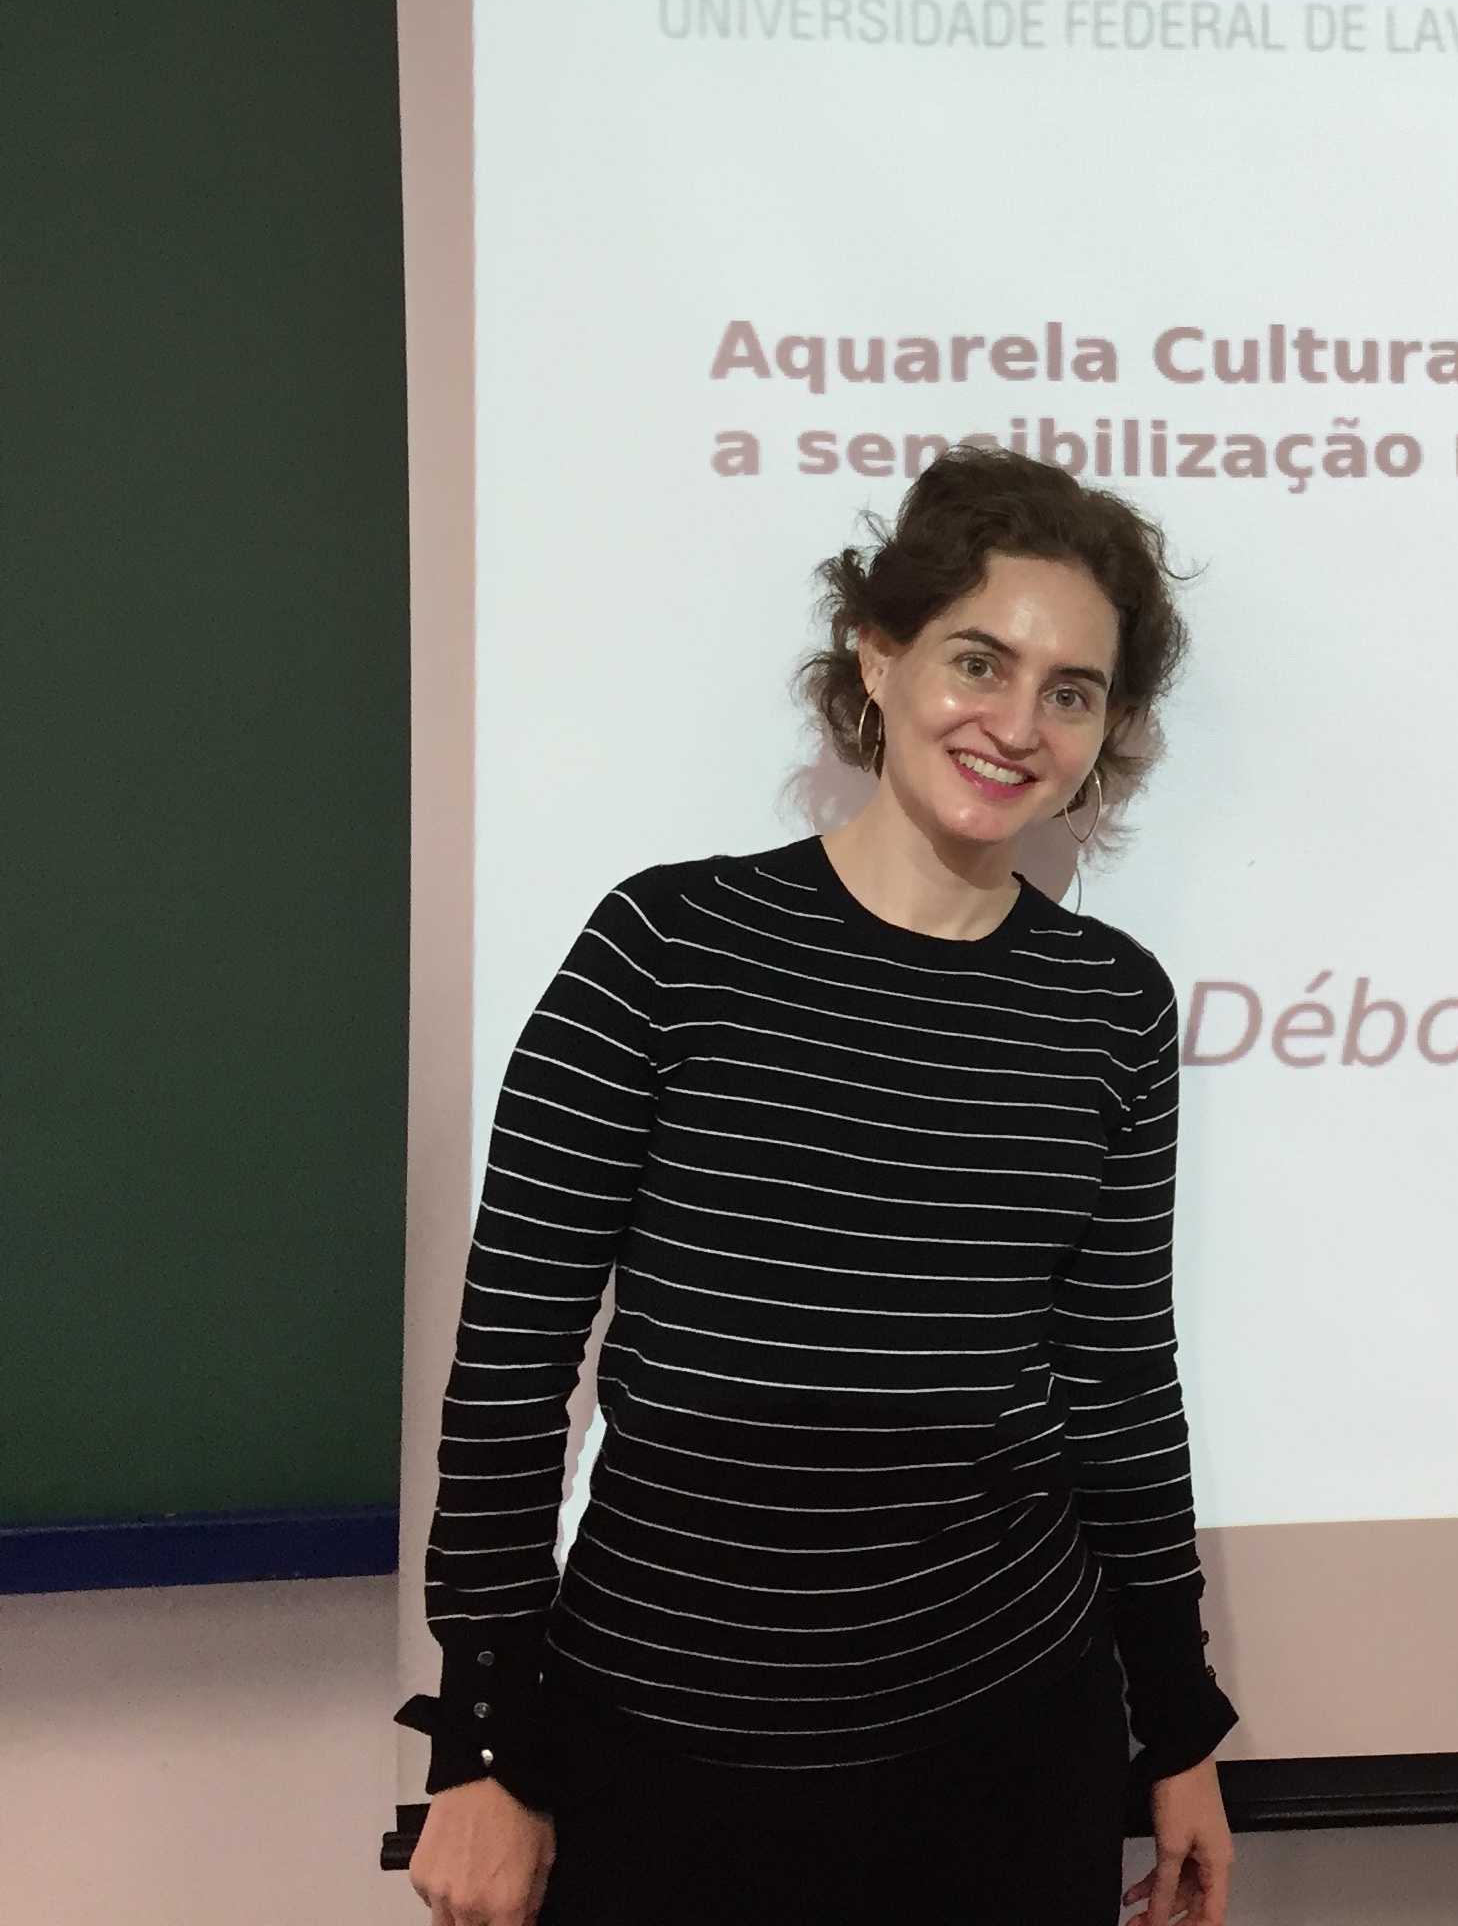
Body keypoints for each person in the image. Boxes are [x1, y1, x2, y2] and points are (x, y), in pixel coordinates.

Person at [404, 448, 1236, 1926]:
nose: (1017, 725)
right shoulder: (663, 950)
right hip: (663, 1755)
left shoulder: (1109, 1006)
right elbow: (512, 1372)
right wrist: (477, 1747)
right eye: (978, 660)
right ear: (877, 655)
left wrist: (1179, 1730)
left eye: (1072, 691)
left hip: (1005, 1748)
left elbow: (1117, 1386)